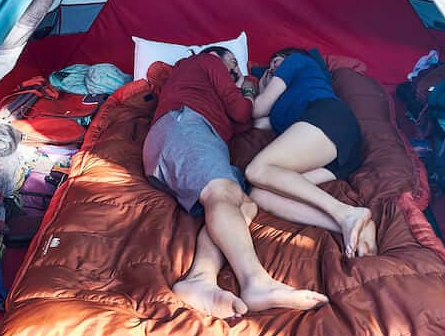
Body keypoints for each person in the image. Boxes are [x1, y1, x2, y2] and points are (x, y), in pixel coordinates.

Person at [144, 46, 328, 319]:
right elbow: (243, 111)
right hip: (183, 125)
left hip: (200, 142)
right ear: (217, 58)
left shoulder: (214, 95)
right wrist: (246, 87)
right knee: (223, 191)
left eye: (236, 66)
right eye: (231, 63)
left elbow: (247, 124)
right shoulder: (204, 60)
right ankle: (256, 282)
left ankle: (200, 279)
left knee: (244, 203)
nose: (234, 69)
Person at [249, 48, 377, 258]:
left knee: (257, 169)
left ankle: (346, 213)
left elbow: (256, 108)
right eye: (270, 65)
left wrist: (259, 88)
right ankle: (356, 226)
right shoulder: (284, 102)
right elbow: (259, 122)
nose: (273, 66)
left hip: (330, 119)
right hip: (336, 154)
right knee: (259, 193)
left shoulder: (297, 61)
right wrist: (265, 91)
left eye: (277, 61)